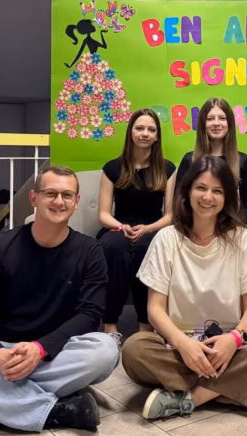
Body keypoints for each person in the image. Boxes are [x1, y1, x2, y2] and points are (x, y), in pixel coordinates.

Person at [0, 166, 120, 435]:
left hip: (55, 352)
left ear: (76, 201)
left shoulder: (91, 251)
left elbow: (90, 315)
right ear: (34, 198)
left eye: (67, 195)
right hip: (2, 351)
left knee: (106, 350)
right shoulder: (0, 245)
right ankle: (55, 411)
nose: (59, 201)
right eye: (50, 193)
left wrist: (40, 349)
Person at [122, 156, 247, 420]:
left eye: (217, 191)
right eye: (201, 188)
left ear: (227, 198)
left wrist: (233, 340)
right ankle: (242, 385)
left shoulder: (242, 239)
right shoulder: (166, 238)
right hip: (178, 346)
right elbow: (154, 310)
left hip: (232, 346)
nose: (208, 197)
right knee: (134, 350)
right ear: (187, 191)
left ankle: (194, 397)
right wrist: (184, 345)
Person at [97, 108, 176, 333]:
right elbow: (103, 215)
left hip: (153, 228)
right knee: (113, 248)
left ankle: (145, 325)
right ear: (131, 132)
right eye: (139, 128)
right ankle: (110, 325)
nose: (145, 133)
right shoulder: (112, 168)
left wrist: (147, 228)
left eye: (151, 130)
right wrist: (122, 226)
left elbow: (170, 216)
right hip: (118, 227)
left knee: (146, 249)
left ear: (157, 136)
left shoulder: (168, 169)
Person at [174, 97, 247, 223]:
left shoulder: (242, 161)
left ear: (230, 123)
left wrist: (232, 227)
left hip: (229, 227)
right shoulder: (189, 160)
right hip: (193, 227)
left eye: (222, 118)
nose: (216, 123)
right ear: (203, 124)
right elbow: (179, 202)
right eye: (210, 119)